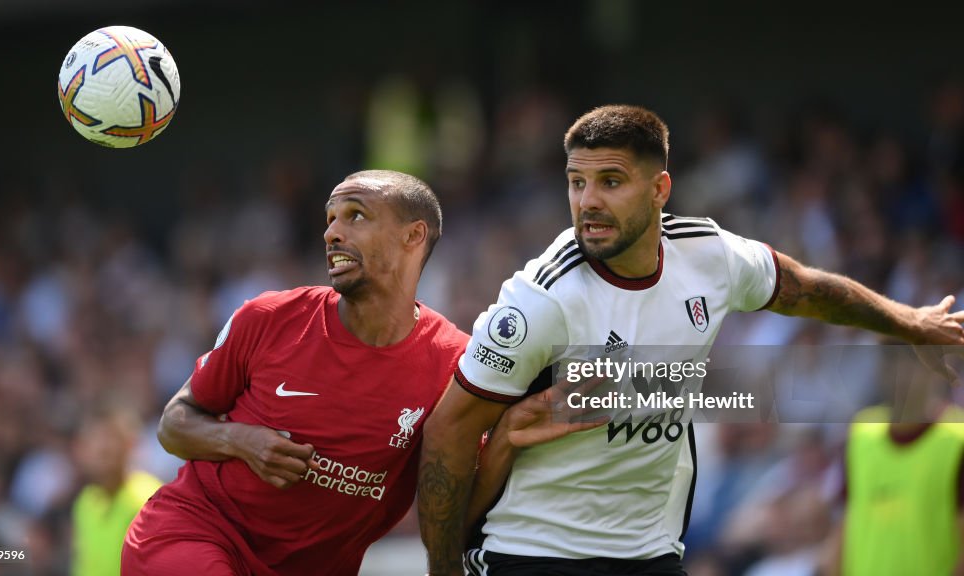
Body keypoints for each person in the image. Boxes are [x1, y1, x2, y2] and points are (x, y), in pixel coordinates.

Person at [418, 104, 964, 576]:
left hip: (650, 553)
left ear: (660, 190)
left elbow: (810, 290)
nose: (587, 201)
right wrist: (445, 569)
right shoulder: (541, 301)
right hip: (536, 552)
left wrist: (909, 322)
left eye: (610, 181)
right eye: (576, 182)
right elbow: (448, 431)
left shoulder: (711, 256)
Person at [120, 169, 587, 576]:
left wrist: (508, 437)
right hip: (194, 534)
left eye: (355, 216)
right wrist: (241, 441)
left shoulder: (455, 364)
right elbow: (174, 423)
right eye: (330, 219)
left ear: (413, 236)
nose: (332, 233)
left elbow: (458, 495)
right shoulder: (268, 317)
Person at [822, 354, 964, 576]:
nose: (901, 370)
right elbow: (845, 526)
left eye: (913, 360)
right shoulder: (860, 432)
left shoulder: (958, 440)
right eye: (891, 357)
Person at [71, 403, 161, 576]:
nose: (103, 448)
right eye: (95, 439)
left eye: (111, 438)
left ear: (130, 445)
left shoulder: (150, 500)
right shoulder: (85, 502)